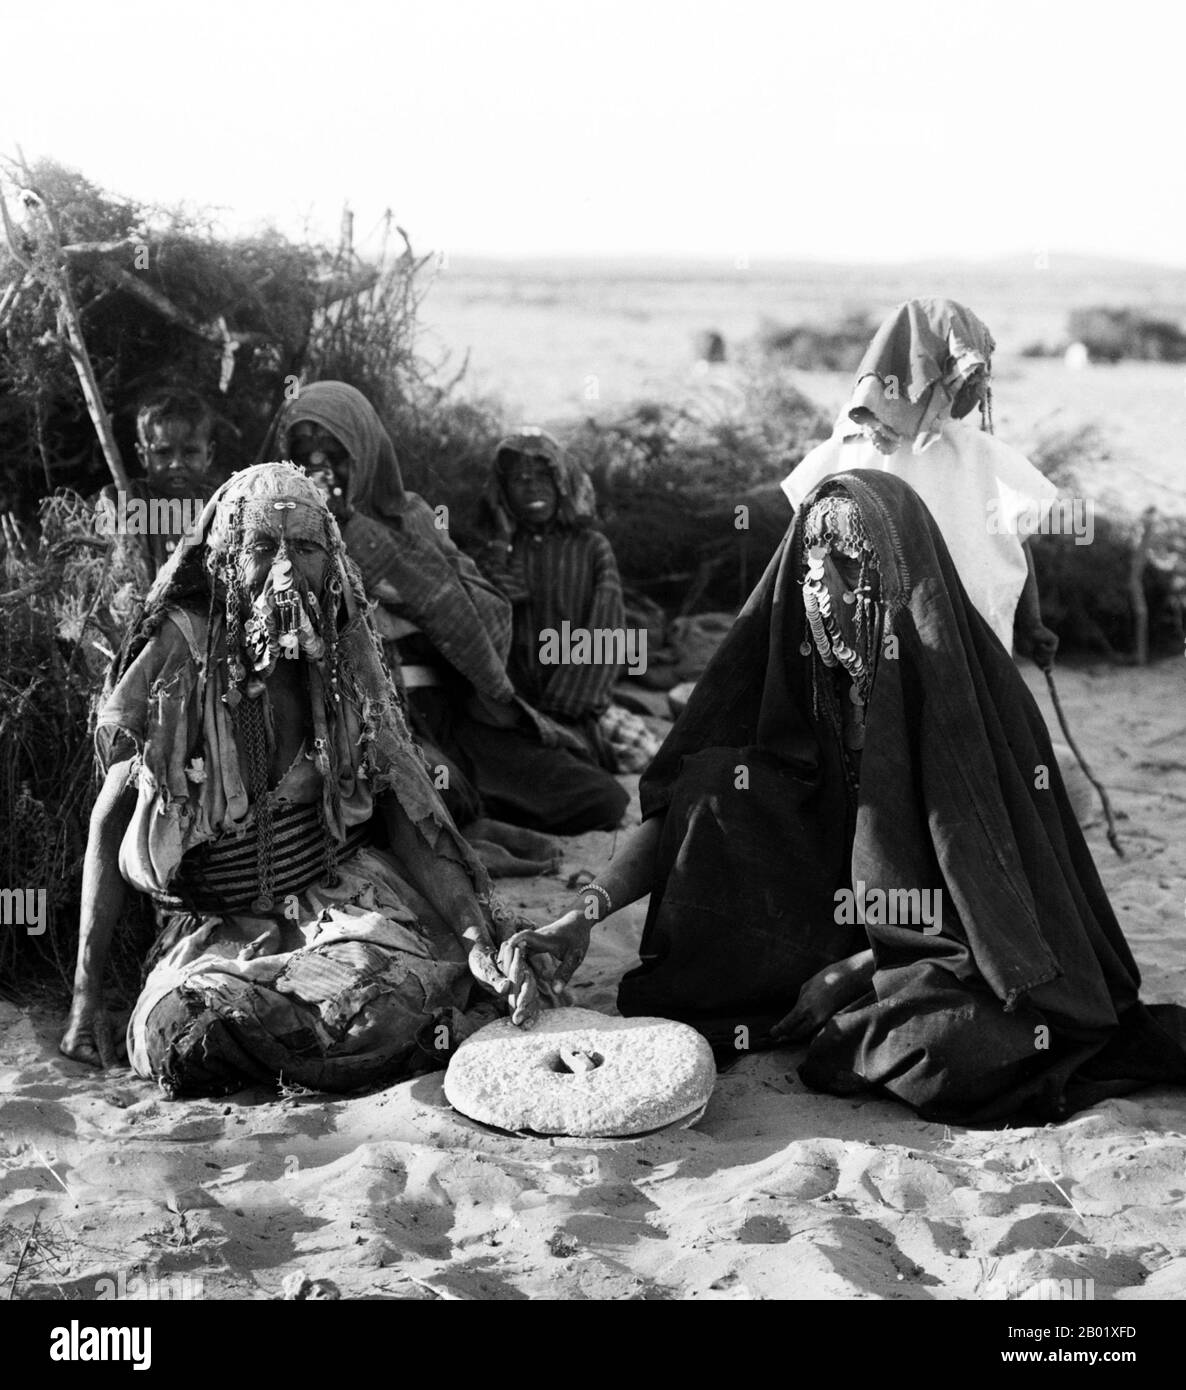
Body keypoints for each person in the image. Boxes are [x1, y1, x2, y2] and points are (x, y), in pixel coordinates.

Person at [507, 471, 1186, 1124]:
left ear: (900, 580)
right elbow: (677, 814)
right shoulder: (791, 668)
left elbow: (996, 908)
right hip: (811, 919)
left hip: (934, 947)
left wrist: (860, 972)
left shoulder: (965, 703)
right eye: (813, 562)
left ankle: (852, 1003)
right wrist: (582, 917)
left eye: (855, 568)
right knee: (716, 785)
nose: (825, 587)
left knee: (948, 1050)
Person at [60, 462, 538, 1097]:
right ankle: (300, 1043)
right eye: (263, 547)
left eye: (305, 548)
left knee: (391, 1002)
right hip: (214, 929)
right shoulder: (183, 652)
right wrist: (85, 1000)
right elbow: (108, 820)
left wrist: (473, 935)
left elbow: (408, 814)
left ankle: (310, 1040)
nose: (285, 567)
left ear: (329, 560)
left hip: (337, 911)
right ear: (227, 562)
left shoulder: (346, 656)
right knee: (182, 1034)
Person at [269, 382, 628, 837]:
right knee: (425, 790)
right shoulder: (278, 527)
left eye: (334, 449)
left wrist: (390, 564)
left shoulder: (411, 518)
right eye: (303, 448)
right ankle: (468, 815)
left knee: (601, 798)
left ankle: (477, 810)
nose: (319, 464)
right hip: (368, 718)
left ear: (363, 451)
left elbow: (484, 615)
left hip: (450, 709)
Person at [781, 298, 1059, 667]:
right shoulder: (982, 455)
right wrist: (1032, 625)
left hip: (863, 643)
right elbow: (1017, 539)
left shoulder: (842, 450)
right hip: (965, 647)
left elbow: (802, 541)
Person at [473, 427, 657, 774]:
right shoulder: (497, 552)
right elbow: (492, 608)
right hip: (517, 707)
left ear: (563, 483)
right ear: (502, 493)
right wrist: (501, 540)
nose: (532, 486)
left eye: (544, 476)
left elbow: (607, 629)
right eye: (518, 479)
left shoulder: (591, 547)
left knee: (645, 755)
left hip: (578, 702)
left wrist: (566, 706)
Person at [96, 388, 222, 581]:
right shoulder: (131, 498)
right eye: (163, 453)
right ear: (143, 456)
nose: (177, 463)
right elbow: (105, 552)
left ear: (209, 455)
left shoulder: (215, 503)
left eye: (189, 452)